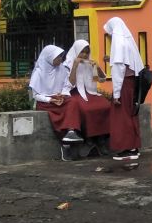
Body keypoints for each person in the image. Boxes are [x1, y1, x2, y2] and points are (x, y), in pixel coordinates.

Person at [61, 39, 113, 156]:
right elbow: (70, 84)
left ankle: (101, 139)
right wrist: (75, 65)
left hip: (90, 93)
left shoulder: (89, 64)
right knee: (86, 109)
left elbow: (100, 79)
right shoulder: (67, 65)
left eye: (86, 52)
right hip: (74, 92)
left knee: (106, 105)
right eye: (82, 52)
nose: (84, 55)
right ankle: (90, 139)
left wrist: (97, 67)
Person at [104, 17, 145, 161]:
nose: (109, 36)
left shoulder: (118, 42)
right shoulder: (127, 39)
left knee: (122, 117)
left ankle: (128, 149)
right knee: (130, 114)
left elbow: (119, 69)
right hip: (131, 83)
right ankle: (133, 147)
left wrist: (116, 94)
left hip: (123, 85)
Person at [29, 45, 85, 148]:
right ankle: (65, 143)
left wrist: (63, 94)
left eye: (61, 56)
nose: (60, 59)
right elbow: (36, 95)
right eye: (58, 57)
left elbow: (67, 85)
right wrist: (50, 99)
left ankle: (71, 131)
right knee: (56, 114)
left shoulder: (62, 68)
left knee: (73, 101)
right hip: (45, 103)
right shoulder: (39, 72)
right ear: (49, 57)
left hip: (59, 99)